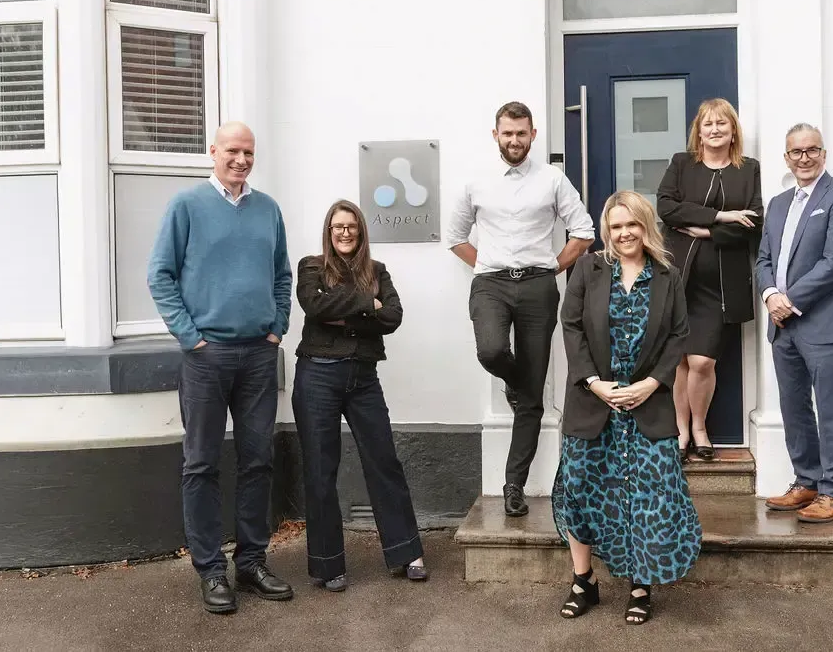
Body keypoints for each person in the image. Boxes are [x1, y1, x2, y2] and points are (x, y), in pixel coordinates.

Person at [147, 121, 293, 614]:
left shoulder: (268, 209)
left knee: (258, 460)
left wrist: (277, 327)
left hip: (258, 354)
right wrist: (191, 337)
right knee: (202, 463)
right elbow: (160, 275)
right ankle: (211, 570)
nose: (241, 160)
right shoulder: (186, 206)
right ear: (213, 151)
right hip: (206, 358)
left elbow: (281, 275)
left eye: (248, 152)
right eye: (233, 150)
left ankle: (251, 563)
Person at [552, 190, 702, 626]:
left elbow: (678, 335)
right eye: (616, 226)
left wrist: (652, 384)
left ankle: (640, 585)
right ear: (607, 230)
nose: (624, 233)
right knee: (580, 489)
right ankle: (584, 581)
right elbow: (571, 325)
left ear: (645, 225)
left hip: (647, 405)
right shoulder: (588, 268)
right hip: (592, 402)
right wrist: (594, 382)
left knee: (648, 495)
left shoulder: (667, 275)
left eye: (631, 224)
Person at [446, 101, 595, 517]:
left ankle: (514, 484)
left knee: (531, 400)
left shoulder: (552, 179)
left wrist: (551, 268)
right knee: (492, 351)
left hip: (537, 287)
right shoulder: (476, 182)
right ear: (496, 135)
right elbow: (456, 236)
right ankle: (516, 382)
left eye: (521, 133)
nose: (515, 140)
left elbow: (583, 232)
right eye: (508, 133)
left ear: (532, 135)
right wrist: (486, 264)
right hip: (491, 284)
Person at [291, 199, 427, 591]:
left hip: (363, 377)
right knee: (321, 470)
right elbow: (315, 305)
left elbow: (393, 316)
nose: (345, 232)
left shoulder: (377, 270)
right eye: (338, 227)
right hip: (317, 375)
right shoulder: (311, 267)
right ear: (329, 232)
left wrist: (346, 311)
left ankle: (406, 552)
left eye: (351, 226)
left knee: (384, 461)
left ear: (361, 231)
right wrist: (368, 304)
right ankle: (328, 565)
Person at [756, 123, 833, 523]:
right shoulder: (778, 203)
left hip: (824, 322)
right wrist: (770, 295)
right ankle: (807, 481)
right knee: (794, 406)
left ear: (823, 153)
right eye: (796, 152)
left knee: (832, 407)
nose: (804, 158)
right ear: (786, 158)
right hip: (783, 325)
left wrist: (790, 301)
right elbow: (763, 259)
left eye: (811, 150)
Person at [656, 98, 763, 461]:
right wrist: (722, 216)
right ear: (698, 132)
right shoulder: (682, 164)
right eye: (708, 124)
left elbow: (754, 222)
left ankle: (700, 425)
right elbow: (666, 208)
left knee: (702, 361)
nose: (715, 130)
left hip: (720, 286)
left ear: (733, 131)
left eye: (722, 123)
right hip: (678, 279)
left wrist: (707, 231)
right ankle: (681, 431)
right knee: (680, 361)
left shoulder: (748, 169)